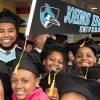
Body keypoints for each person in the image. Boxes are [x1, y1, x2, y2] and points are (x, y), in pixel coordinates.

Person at [0, 8, 25, 76]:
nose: (6, 35)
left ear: (16, 34)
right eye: (1, 31)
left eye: (10, 31)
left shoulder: (25, 57)